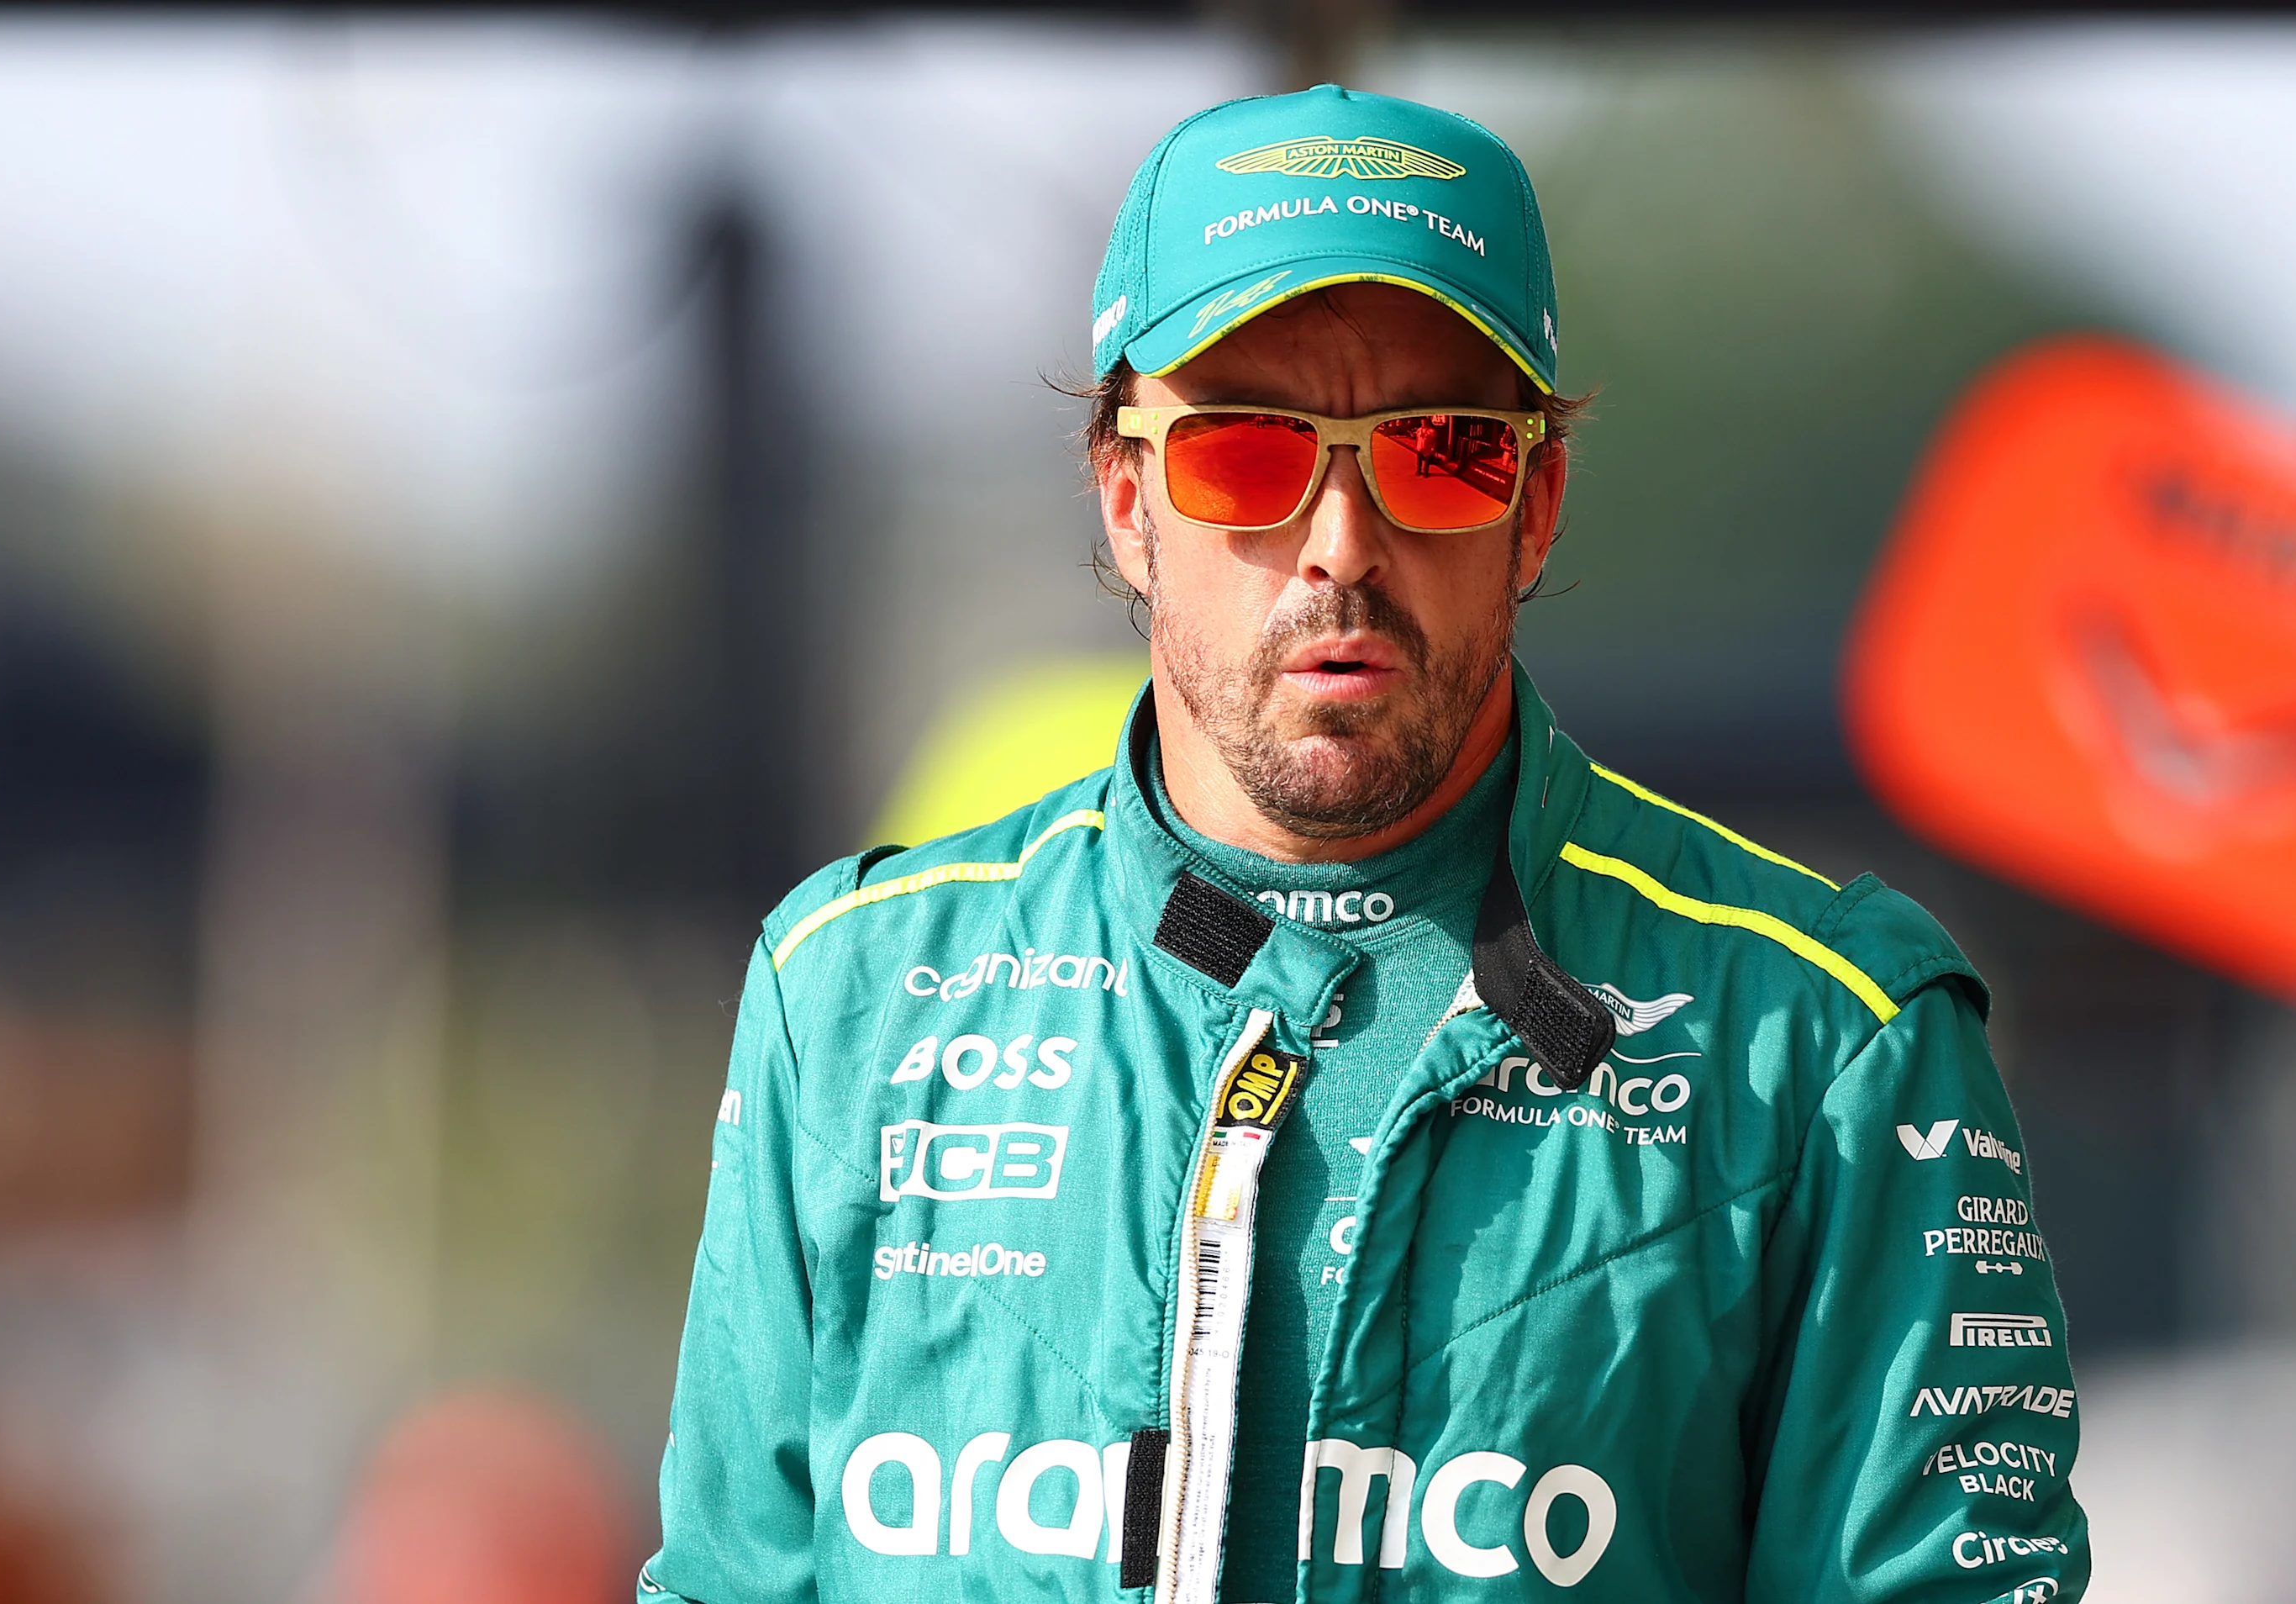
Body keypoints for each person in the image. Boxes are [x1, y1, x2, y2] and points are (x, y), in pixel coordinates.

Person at [637, 83, 2089, 1604]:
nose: (1341, 541)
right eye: (1249, 454)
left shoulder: (1831, 1043)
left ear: (1535, 508)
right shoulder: (848, 998)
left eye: (1441, 450)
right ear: (1128, 501)